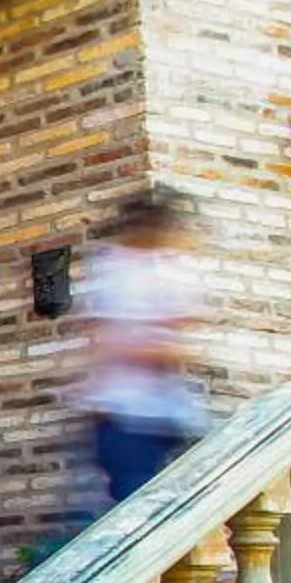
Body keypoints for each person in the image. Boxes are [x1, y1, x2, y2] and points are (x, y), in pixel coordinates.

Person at [80, 192, 208, 504]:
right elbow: (110, 340)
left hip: (167, 414)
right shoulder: (115, 271)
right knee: (136, 502)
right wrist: (169, 352)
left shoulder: (164, 266)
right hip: (126, 416)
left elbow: (183, 317)